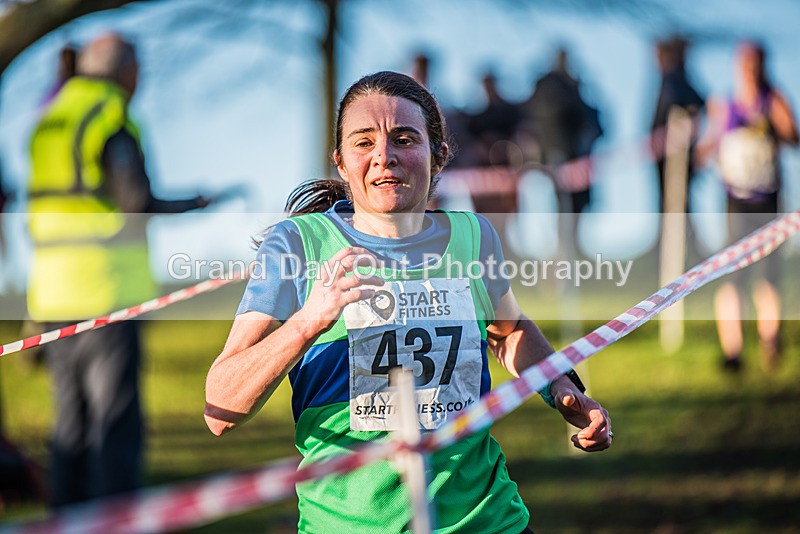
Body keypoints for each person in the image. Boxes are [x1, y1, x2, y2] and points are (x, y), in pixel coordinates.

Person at [205, 71, 612, 533]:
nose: (384, 157)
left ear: (438, 156)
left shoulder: (472, 236)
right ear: (341, 161)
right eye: (363, 142)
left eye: (403, 138)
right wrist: (307, 322)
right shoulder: (296, 245)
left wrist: (561, 388)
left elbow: (508, 329)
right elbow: (220, 407)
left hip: (486, 519)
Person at [27, 32, 211, 507]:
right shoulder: (110, 114)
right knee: (115, 426)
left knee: (71, 425)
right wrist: (194, 203)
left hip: (51, 294)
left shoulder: (53, 117)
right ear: (126, 71)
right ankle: (117, 520)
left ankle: (66, 519)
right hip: (105, 292)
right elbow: (135, 203)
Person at [697, 41, 798, 372]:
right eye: (744, 62)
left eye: (754, 63)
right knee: (731, 275)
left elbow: (792, 137)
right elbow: (710, 144)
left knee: (769, 275)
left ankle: (770, 343)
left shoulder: (774, 100)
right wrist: (699, 153)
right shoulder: (723, 104)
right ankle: (733, 352)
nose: (749, 68)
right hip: (734, 200)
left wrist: (777, 119)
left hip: (768, 198)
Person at [521, 47, 603, 219]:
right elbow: (538, 115)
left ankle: (568, 240)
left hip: (576, 153)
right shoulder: (548, 86)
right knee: (562, 198)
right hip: (554, 149)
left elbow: (588, 119)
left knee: (575, 200)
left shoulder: (574, 86)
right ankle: (562, 242)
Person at [650, 36, 705, 214]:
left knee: (677, 201)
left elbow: (697, 103)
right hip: (662, 152)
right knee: (669, 202)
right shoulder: (672, 79)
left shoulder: (674, 79)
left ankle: (684, 238)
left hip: (675, 155)